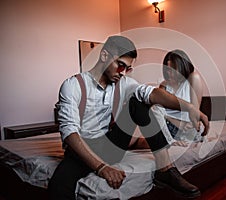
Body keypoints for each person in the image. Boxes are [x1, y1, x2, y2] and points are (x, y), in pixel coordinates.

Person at [48, 36, 209, 200]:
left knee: (139, 102)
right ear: (105, 56)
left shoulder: (123, 83)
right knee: (59, 185)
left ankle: (165, 170)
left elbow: (152, 93)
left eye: (128, 68)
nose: (123, 73)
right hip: (82, 149)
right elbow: (69, 133)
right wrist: (102, 168)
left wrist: (189, 108)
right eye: (121, 65)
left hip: (109, 145)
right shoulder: (73, 85)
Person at [159, 49, 207, 145]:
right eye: (167, 69)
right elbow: (159, 112)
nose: (170, 73)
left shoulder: (193, 79)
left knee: (193, 130)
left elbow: (194, 112)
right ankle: (169, 141)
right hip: (167, 126)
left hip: (187, 127)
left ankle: (170, 141)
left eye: (174, 69)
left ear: (182, 67)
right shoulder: (163, 85)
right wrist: (173, 120)